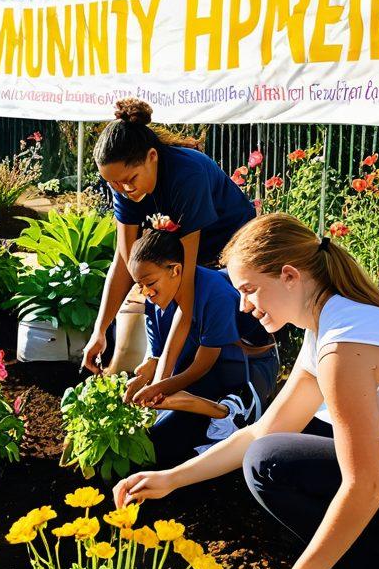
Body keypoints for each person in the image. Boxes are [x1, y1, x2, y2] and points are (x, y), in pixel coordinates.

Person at [112, 213, 379, 569]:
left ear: (289, 276)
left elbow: (365, 487)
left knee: (276, 464)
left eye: (249, 290)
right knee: (279, 448)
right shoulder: (331, 326)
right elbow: (261, 431)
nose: (244, 307)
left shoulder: (345, 346)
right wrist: (171, 478)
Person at [83, 98, 260, 390]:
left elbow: (186, 288)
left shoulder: (186, 176)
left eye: (129, 179)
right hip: (190, 253)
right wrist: (99, 331)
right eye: (113, 184)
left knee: (211, 319)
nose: (123, 190)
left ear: (152, 156)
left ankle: (239, 391)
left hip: (234, 250)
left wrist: (161, 383)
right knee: (160, 291)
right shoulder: (124, 186)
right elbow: (126, 264)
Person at [124, 227, 279, 467]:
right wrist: (142, 377)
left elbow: (203, 364)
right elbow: (158, 355)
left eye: (151, 283)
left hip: (242, 370)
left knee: (186, 442)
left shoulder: (215, 294)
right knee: (155, 439)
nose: (147, 293)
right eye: (140, 286)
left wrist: (159, 388)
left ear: (176, 270)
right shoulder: (154, 299)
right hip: (196, 375)